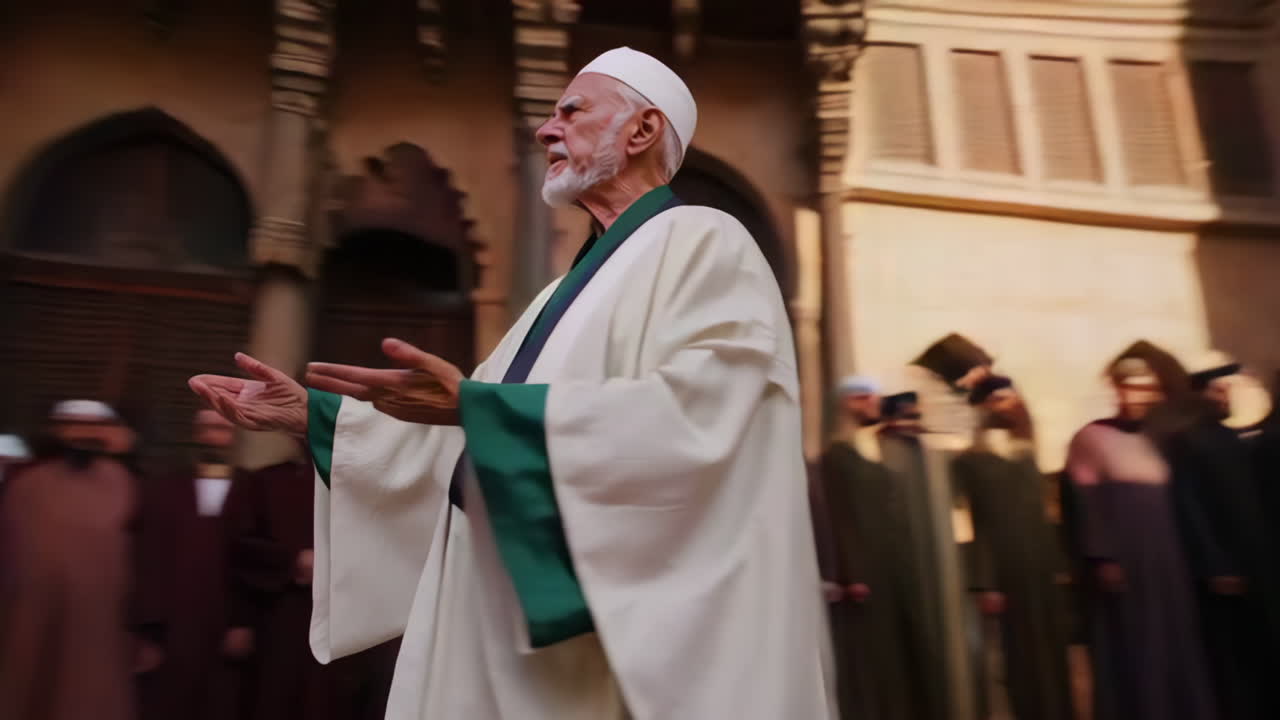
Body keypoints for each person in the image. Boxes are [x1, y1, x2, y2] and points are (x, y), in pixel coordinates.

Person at [190, 46, 830, 720]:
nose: (545, 129)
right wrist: (320, 420)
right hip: (485, 612)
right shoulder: (558, 294)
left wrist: (477, 406)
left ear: (642, 131)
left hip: (584, 642)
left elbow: (708, 423)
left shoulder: (707, 242)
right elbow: (472, 442)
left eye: (571, 111)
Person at [1064, 342, 1217, 720]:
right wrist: (1103, 556)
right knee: (1135, 642)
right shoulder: (1092, 436)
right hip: (1127, 558)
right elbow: (1084, 506)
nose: (1139, 397)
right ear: (1117, 389)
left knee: (1176, 638)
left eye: (1148, 389)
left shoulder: (1166, 437)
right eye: (1130, 387)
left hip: (1169, 555)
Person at [0, 400, 151, 720]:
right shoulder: (26, 485)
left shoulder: (126, 485)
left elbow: (146, 559)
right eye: (74, 425)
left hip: (101, 628)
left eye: (92, 427)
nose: (83, 433)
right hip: (30, 624)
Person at [1165, 353, 1279, 720]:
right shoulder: (1189, 442)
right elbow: (1191, 509)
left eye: (1228, 389)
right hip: (1225, 572)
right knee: (1234, 660)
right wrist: (1216, 565)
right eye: (1218, 389)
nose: (1224, 396)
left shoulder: (1238, 438)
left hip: (1258, 564)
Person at [952, 376, 1072, 720]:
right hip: (1002, 572)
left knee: (1050, 653)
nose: (1010, 407)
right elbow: (969, 522)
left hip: (1040, 568)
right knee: (1013, 656)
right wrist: (985, 580)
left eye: (1012, 399)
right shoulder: (970, 461)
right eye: (1001, 400)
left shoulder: (1027, 454)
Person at [821, 376, 929, 720]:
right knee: (874, 660)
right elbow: (838, 517)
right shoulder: (835, 457)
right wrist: (851, 572)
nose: (871, 403)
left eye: (873, 397)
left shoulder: (875, 451)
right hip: (864, 576)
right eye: (861, 397)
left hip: (895, 567)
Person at [135, 409, 246, 720]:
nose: (214, 435)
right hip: (173, 620)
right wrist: (148, 628)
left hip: (223, 617)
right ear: (196, 433)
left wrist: (241, 621)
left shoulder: (248, 488)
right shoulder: (165, 488)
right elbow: (149, 557)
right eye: (207, 427)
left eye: (222, 428)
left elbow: (251, 558)